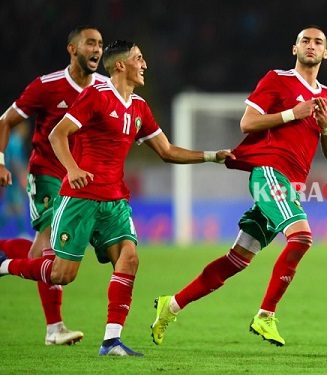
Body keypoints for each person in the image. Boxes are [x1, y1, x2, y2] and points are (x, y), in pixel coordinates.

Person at [0, 40, 234, 356]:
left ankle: (111, 340)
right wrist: (73, 168)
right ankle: (7, 264)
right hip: (80, 199)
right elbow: (58, 134)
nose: (145, 65)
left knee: (130, 257)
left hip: (115, 202)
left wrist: (211, 156)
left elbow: (166, 151)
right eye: (139, 58)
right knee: (60, 275)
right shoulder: (95, 96)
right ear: (121, 65)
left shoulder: (139, 107)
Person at [150, 25, 327, 348]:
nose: (311, 45)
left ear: (326, 53)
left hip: (290, 185)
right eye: (304, 41)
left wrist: (325, 127)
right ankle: (265, 315)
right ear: (294, 49)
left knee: (237, 260)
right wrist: (294, 112)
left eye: (317, 42)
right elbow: (247, 122)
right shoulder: (277, 80)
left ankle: (173, 304)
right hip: (269, 174)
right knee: (302, 237)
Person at [0, 26, 106, 345]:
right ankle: (54, 330)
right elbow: (6, 121)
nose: (97, 49)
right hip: (46, 174)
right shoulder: (47, 87)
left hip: (80, 184)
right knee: (54, 254)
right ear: (72, 49)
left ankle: (4, 255)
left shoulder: (104, 88)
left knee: (38, 253)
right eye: (90, 43)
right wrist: (0, 161)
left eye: (100, 44)